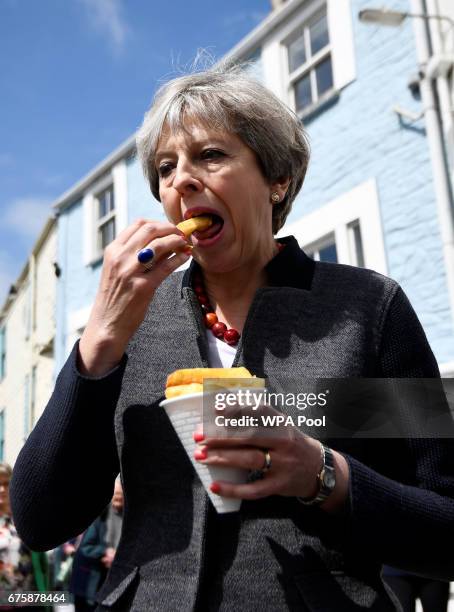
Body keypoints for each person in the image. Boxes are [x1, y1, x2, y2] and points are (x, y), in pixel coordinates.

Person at [9, 62, 454, 611]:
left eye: (211, 155)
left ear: (276, 179)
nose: (182, 180)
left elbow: (445, 525)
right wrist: (98, 346)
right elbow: (40, 520)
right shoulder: (135, 326)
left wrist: (323, 475)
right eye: (166, 168)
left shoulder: (365, 310)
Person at [70, 479, 124, 611]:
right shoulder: (101, 517)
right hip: (91, 586)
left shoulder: (127, 519)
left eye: (120, 496)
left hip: (113, 585)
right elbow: (86, 547)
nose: (117, 499)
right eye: (115, 495)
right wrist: (106, 551)